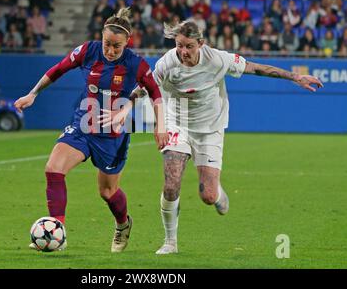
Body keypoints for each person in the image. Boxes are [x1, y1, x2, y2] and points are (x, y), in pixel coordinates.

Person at [101, 20, 323, 254]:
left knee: (207, 196)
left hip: (210, 128)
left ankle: (216, 193)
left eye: (188, 46)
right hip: (177, 122)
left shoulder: (217, 59)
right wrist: (125, 108)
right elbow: (145, 86)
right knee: (171, 183)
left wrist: (296, 77)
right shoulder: (168, 62)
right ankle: (170, 242)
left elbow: (257, 68)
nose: (183, 52)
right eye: (179, 45)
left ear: (201, 44)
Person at [14, 8, 168, 253]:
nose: (110, 50)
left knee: (107, 192)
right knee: (53, 169)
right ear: (102, 37)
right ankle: (58, 232)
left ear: (127, 42)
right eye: (107, 44)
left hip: (112, 137)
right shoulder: (88, 51)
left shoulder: (136, 64)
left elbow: (156, 94)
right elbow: (58, 69)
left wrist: (161, 126)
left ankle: (122, 224)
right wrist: (32, 94)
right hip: (83, 126)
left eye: (117, 46)